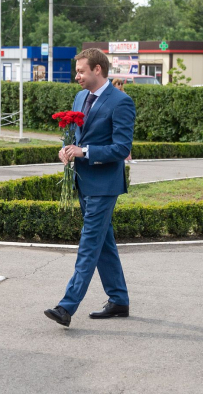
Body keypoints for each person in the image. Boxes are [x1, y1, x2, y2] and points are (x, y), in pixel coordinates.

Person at [44, 48, 136, 327]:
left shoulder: (121, 102)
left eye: (81, 71)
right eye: (77, 71)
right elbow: (75, 135)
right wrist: (66, 149)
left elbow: (122, 148)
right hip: (82, 181)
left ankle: (66, 306)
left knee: (89, 244)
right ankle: (118, 300)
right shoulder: (80, 97)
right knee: (103, 243)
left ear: (98, 69)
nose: (77, 76)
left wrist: (84, 151)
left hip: (105, 185)